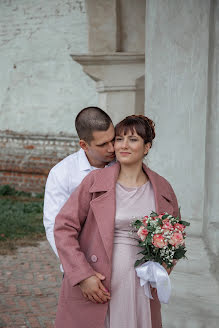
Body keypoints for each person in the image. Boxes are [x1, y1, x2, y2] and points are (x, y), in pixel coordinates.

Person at [54, 115, 180, 328]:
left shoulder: (163, 189)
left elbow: (174, 238)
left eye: (132, 139)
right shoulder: (94, 182)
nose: (123, 145)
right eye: (119, 139)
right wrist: (83, 275)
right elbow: (63, 228)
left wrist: (164, 267)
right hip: (100, 283)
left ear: (147, 146)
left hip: (142, 286)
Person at [43, 106, 115, 262]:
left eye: (113, 139)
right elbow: (55, 227)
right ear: (84, 145)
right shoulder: (62, 173)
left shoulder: (124, 164)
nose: (112, 148)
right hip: (81, 261)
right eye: (103, 144)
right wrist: (78, 269)